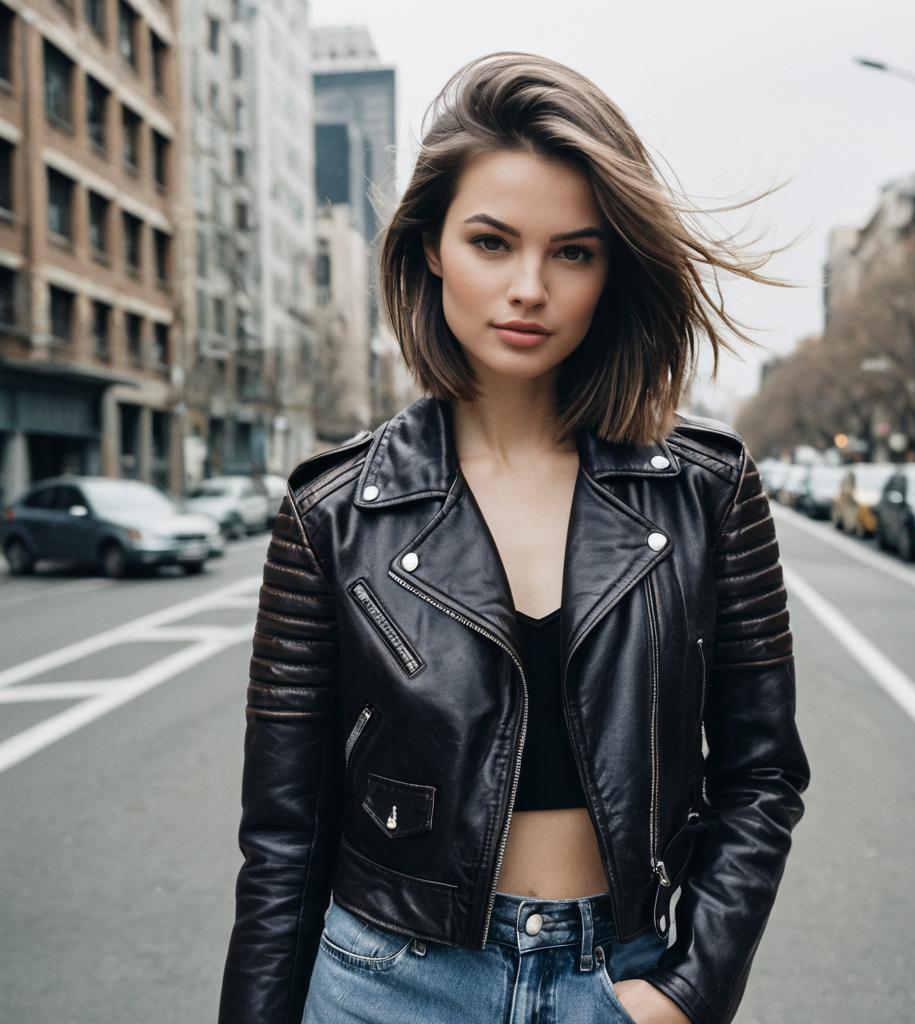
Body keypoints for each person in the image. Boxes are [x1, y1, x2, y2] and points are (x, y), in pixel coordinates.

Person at [218, 51, 811, 1024]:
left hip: (619, 977)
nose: (529, 285)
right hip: (386, 981)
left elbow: (761, 773)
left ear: (611, 267)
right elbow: (284, 836)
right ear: (430, 250)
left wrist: (686, 992)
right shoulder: (330, 514)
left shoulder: (709, 489)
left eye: (572, 251)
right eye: (493, 241)